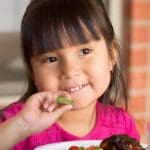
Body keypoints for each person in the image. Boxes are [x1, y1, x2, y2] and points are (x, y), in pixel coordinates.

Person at [0, 0, 140, 149]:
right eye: (51, 59)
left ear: (111, 56)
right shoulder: (17, 123)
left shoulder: (122, 124)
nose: (70, 71)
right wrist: (23, 125)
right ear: (32, 70)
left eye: (85, 51)